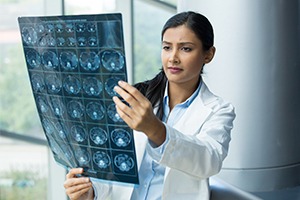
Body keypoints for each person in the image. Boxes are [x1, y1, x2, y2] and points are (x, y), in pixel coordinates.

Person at [64, 11, 235, 200]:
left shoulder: (219, 110)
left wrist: (155, 130)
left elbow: (208, 161)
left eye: (185, 49)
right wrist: (91, 192)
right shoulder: (137, 98)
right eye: (167, 47)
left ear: (208, 55)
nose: (173, 58)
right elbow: (115, 171)